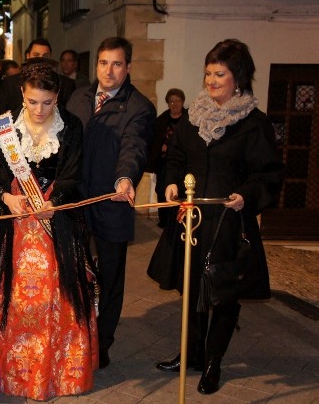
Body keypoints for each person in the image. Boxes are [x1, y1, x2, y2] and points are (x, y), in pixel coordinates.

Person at [148, 39, 284, 395]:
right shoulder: (193, 117)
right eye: (208, 73)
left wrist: (247, 196)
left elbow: (268, 173)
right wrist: (172, 182)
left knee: (223, 292)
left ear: (237, 77)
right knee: (191, 288)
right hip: (192, 221)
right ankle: (191, 353)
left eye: (219, 74)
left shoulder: (253, 123)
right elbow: (175, 158)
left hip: (228, 222)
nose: (211, 80)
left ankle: (212, 362)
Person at [0, 62, 98, 400]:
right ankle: (9, 370)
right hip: (12, 225)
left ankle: (57, 372)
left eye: (47, 102)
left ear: (58, 97)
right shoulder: (4, 127)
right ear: (22, 94)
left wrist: (55, 200)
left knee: (58, 296)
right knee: (9, 295)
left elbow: (73, 174)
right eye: (32, 102)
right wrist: (6, 197)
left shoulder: (70, 126)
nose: (39, 110)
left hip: (54, 224)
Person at [67, 37, 156, 368]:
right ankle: (75, 334)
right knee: (74, 271)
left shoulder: (139, 107)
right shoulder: (78, 98)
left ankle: (101, 344)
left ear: (128, 67)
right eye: (103, 63)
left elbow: (134, 148)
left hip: (112, 202)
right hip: (75, 202)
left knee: (110, 277)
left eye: (117, 64)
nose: (109, 71)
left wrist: (125, 178)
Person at [0, 38, 76, 115]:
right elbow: (0, 115)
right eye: (36, 55)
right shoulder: (10, 83)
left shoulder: (65, 84)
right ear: (28, 56)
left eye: (45, 56)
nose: (40, 59)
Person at [147, 88, 186, 228]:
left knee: (180, 191)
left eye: (178, 101)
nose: (175, 104)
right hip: (163, 163)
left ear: (183, 102)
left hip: (182, 163)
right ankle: (164, 220)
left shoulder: (189, 120)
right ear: (168, 103)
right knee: (162, 190)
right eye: (171, 101)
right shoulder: (161, 120)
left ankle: (178, 221)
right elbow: (154, 141)